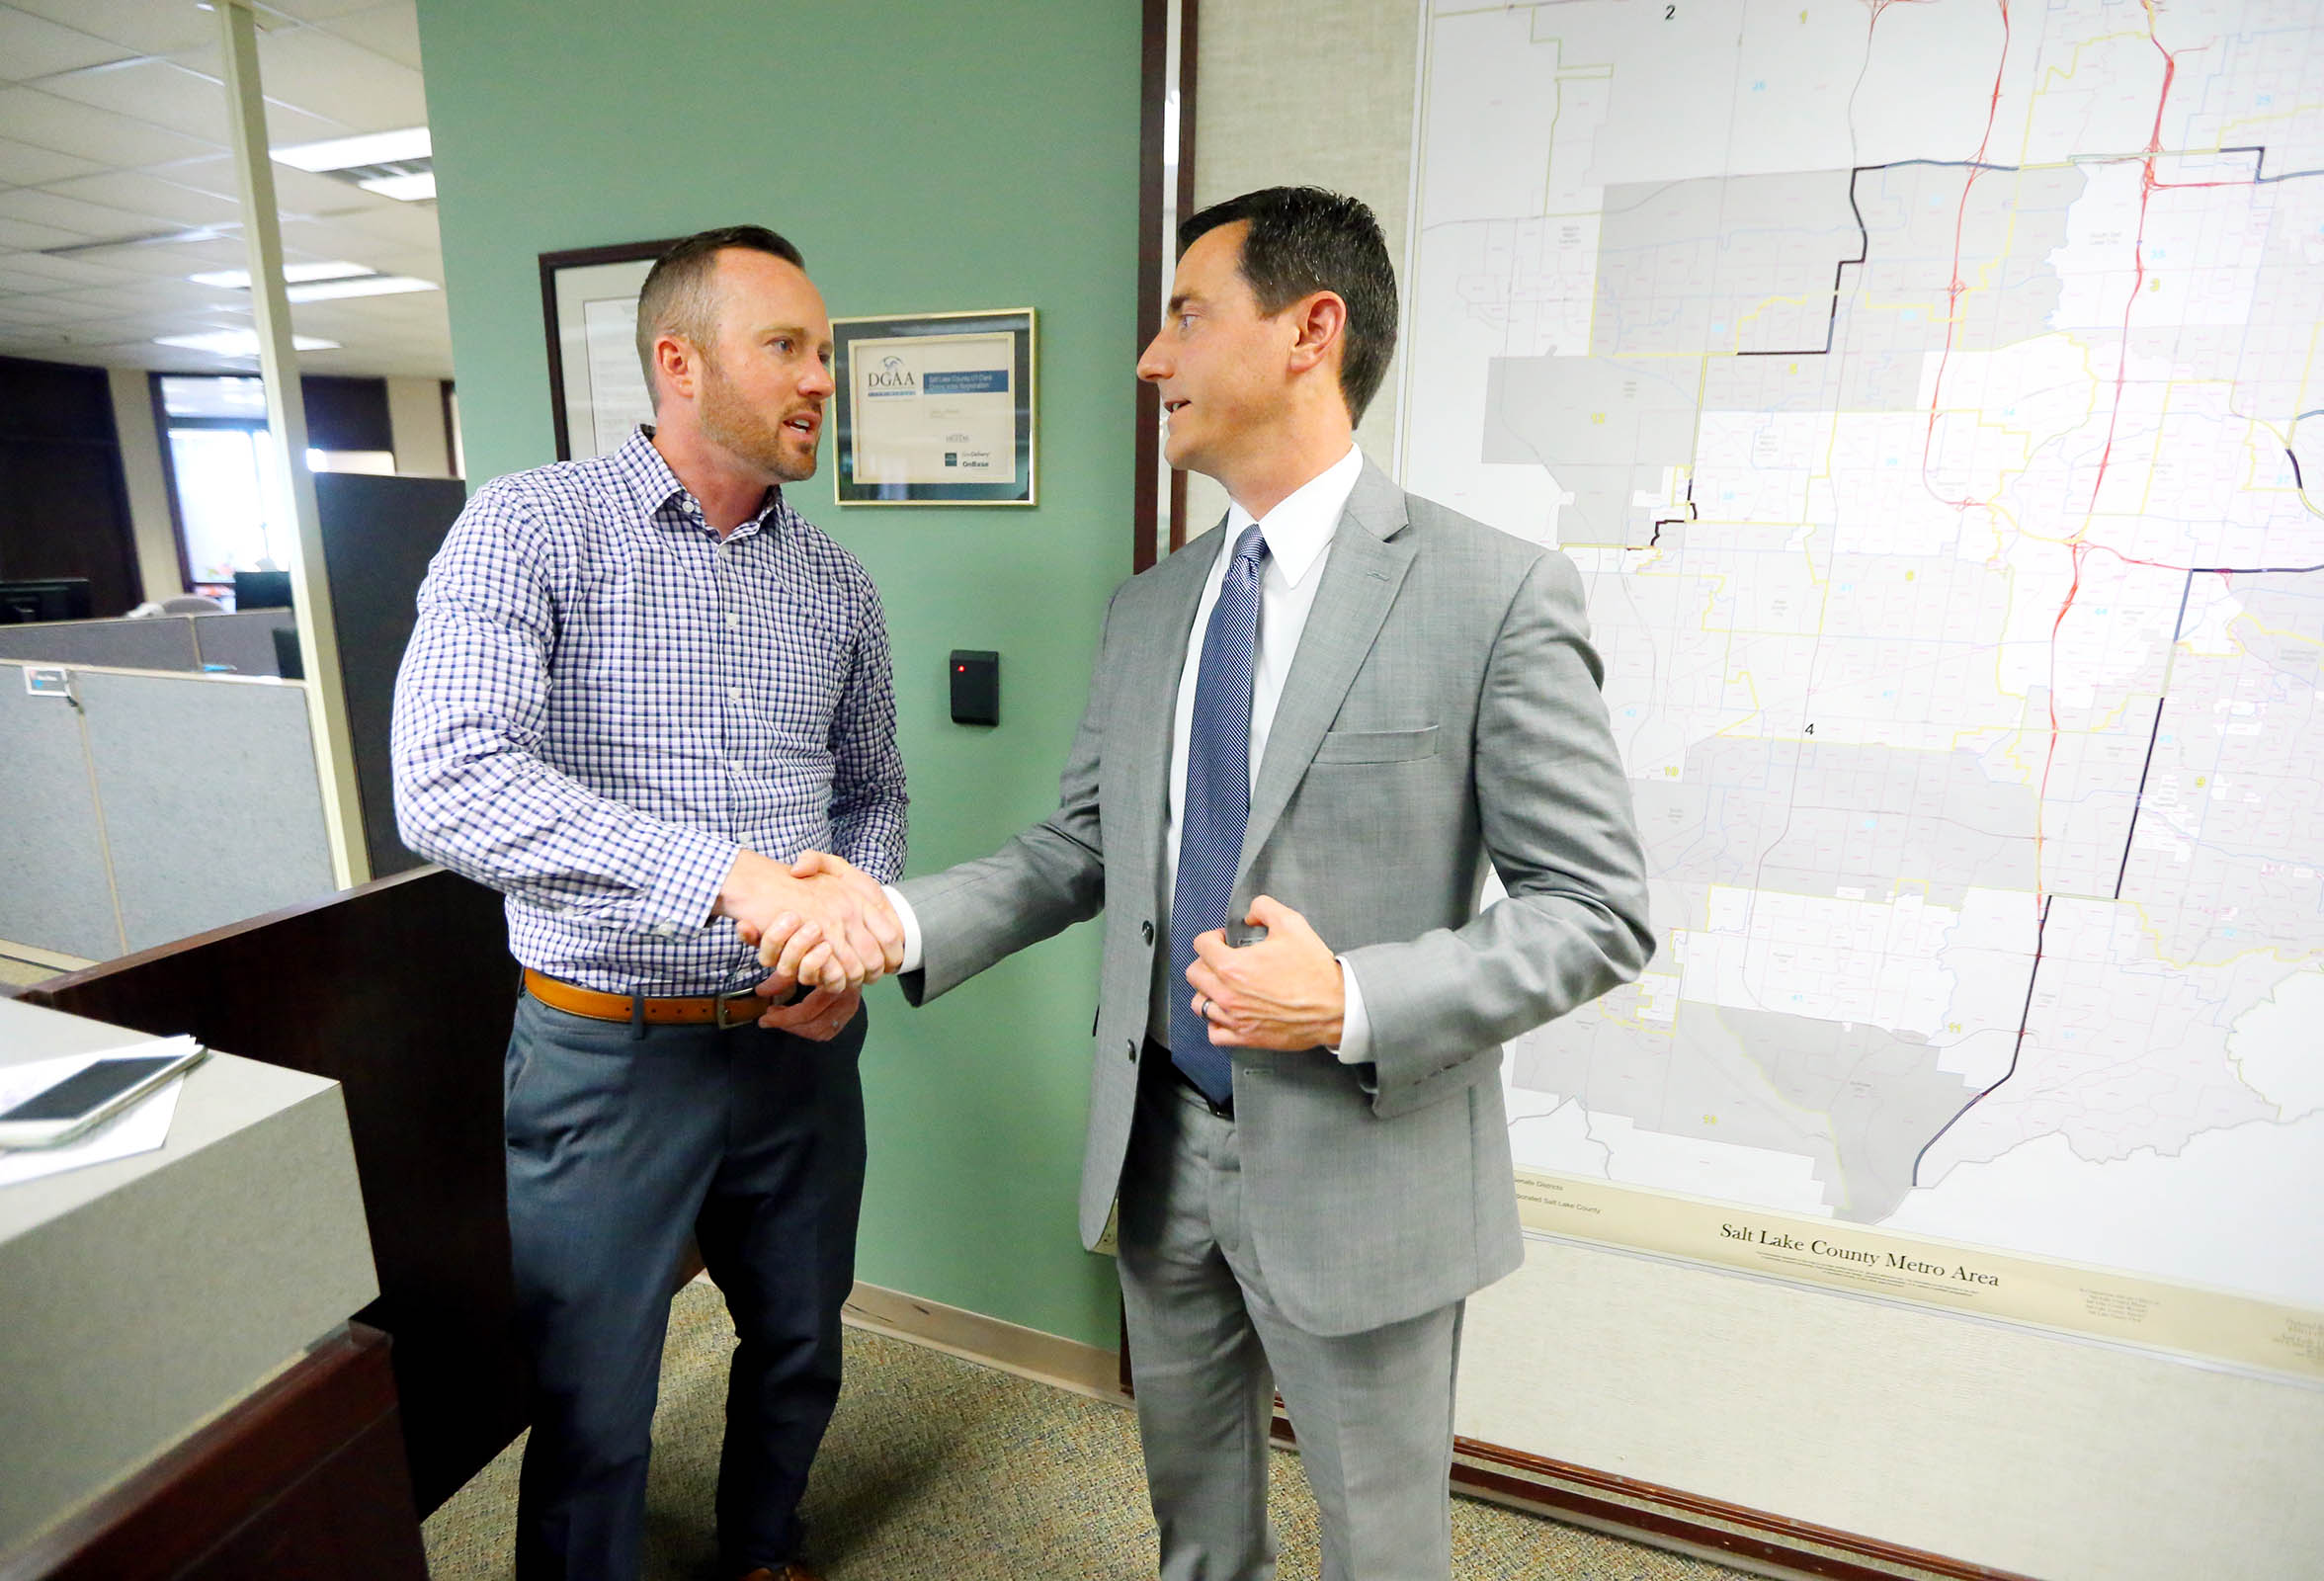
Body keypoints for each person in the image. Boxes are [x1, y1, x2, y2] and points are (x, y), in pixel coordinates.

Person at [790, 186, 1654, 1580]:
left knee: (1382, 1545)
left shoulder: (1492, 593)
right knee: (1195, 1531)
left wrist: (1353, 997)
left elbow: (1596, 909)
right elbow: (1081, 848)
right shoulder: (1151, 608)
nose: (1151, 358)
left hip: (1363, 1167)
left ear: (1312, 331)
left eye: (1187, 315)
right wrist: (889, 917)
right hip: (1158, 1151)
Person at [392, 223, 906, 1581]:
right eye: (787, 348)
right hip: (603, 1048)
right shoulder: (530, 524)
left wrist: (854, 931)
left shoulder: (837, 582)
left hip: (799, 1049)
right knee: (594, 1403)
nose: (820, 380)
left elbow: (875, 799)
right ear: (679, 361)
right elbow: (446, 781)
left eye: (825, 353)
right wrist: (717, 871)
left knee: (801, 1342)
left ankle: (762, 1549)